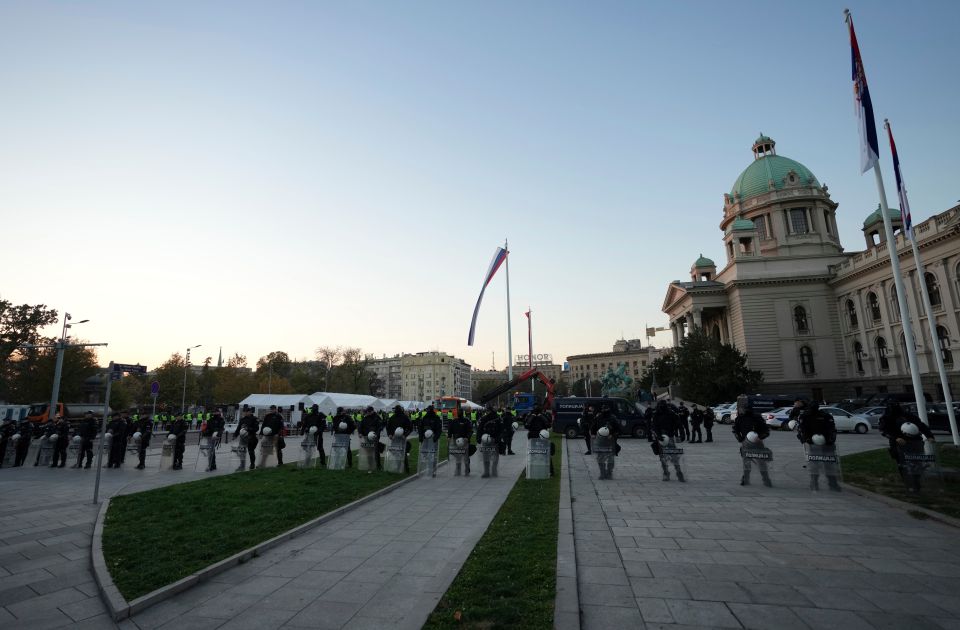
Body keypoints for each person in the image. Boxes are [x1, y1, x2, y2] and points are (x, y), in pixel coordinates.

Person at [879, 401, 935, 492]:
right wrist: (896, 438)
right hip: (898, 444)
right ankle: (909, 483)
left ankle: (916, 481)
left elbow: (921, 425)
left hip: (914, 442)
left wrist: (929, 436)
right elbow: (884, 431)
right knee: (902, 464)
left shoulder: (908, 416)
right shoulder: (886, 418)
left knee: (917, 462)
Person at [798, 402, 840, 491]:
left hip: (827, 444)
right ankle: (815, 483)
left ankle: (832, 484)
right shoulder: (805, 416)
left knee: (828, 464)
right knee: (814, 465)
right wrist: (806, 440)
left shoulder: (826, 416)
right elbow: (802, 430)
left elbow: (832, 429)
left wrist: (830, 440)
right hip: (813, 444)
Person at [732, 398, 772, 487]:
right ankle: (745, 478)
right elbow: (735, 430)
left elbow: (766, 430)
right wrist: (740, 438)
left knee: (761, 461)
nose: (743, 411)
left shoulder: (757, 417)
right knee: (746, 461)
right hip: (745, 442)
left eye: (745, 409)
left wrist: (761, 437)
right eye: (743, 409)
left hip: (758, 442)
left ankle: (766, 479)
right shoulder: (740, 418)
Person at [650, 401, 684, 481]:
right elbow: (654, 426)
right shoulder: (656, 415)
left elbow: (679, 424)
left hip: (670, 437)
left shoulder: (671, 413)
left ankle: (678, 472)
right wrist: (658, 435)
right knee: (662, 457)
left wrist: (682, 434)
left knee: (673, 456)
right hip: (661, 439)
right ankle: (666, 473)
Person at [591, 404, 621, 480]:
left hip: (610, 441)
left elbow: (618, 429)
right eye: (603, 410)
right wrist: (593, 434)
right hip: (600, 441)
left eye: (606, 410)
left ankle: (609, 472)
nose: (604, 411)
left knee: (610, 458)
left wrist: (612, 435)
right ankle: (602, 473)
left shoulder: (613, 418)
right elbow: (593, 427)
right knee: (600, 458)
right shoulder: (598, 418)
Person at [386, 405, 414, 472]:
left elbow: (388, 427)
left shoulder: (396, 417)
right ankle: (404, 468)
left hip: (397, 438)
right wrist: (405, 435)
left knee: (399, 453)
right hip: (397, 438)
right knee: (400, 453)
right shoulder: (403, 417)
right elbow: (410, 427)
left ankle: (403, 468)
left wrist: (390, 434)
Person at [448, 407, 473, 476]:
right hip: (456, 440)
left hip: (464, 440)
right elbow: (450, 430)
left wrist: (467, 438)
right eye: (458, 412)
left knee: (466, 456)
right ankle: (458, 469)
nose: (459, 413)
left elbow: (470, 431)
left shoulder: (466, 421)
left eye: (460, 412)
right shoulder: (454, 421)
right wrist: (449, 437)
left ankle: (467, 469)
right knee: (457, 455)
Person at [478, 405, 502, 478]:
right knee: (495, 456)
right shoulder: (498, 418)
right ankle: (494, 471)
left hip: (486, 439)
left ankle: (486, 472)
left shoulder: (484, 418)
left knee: (486, 456)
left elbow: (480, 429)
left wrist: (478, 438)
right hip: (494, 439)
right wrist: (499, 438)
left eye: (487, 411)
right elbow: (501, 429)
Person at [359, 406, 383, 470]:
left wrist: (376, 434)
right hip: (366, 437)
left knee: (376, 451)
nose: (368, 413)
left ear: (372, 411)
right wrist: (360, 433)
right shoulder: (365, 418)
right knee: (369, 452)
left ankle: (378, 465)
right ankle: (370, 465)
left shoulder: (377, 418)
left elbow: (380, 427)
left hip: (374, 437)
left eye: (369, 411)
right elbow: (360, 426)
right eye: (367, 412)